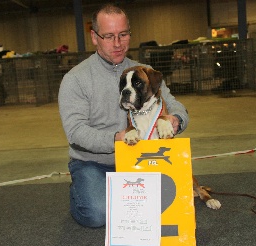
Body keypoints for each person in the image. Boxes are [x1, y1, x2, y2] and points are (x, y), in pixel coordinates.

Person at [58, 3, 188, 228]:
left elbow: (176, 105)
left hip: (143, 160)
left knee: (172, 203)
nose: (118, 43)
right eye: (109, 36)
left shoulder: (145, 72)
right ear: (94, 37)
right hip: (95, 163)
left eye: (123, 34)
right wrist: (116, 138)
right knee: (99, 215)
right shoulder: (75, 79)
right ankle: (82, 191)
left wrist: (176, 120)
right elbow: (76, 133)